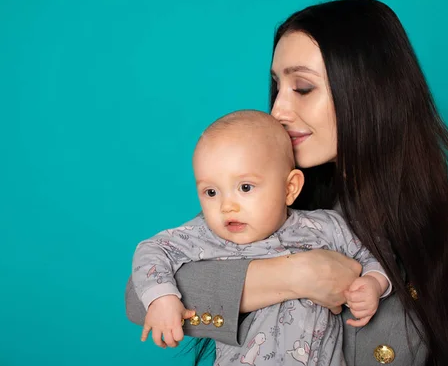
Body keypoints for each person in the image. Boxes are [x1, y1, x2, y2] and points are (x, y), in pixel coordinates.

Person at [125, 0, 448, 366]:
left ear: (369, 92)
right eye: (277, 86)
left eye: (303, 88)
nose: (278, 109)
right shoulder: (272, 203)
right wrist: (297, 275)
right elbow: (138, 298)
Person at [133, 110, 391, 366]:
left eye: (245, 187)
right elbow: (152, 249)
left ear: (290, 188)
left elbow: (372, 254)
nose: (227, 206)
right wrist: (161, 298)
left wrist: (373, 283)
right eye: (211, 192)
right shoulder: (206, 235)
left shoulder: (324, 227)